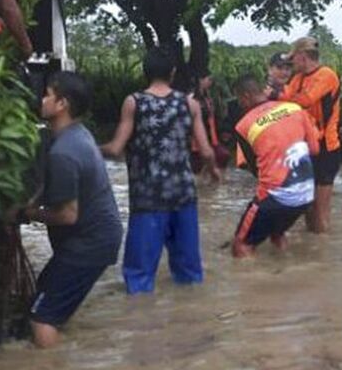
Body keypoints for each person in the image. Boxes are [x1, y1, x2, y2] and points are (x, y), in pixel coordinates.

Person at [13, 72, 122, 347]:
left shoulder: (65, 151)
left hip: (88, 244)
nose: (41, 99)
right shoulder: (76, 134)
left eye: (47, 94)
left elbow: (67, 214)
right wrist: (30, 203)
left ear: (62, 104)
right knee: (45, 289)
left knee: (42, 317)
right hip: (94, 238)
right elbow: (49, 182)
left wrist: (26, 214)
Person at [100, 50, 219, 294]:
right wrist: (213, 171)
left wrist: (87, 146)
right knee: (189, 273)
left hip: (148, 198)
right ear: (173, 73)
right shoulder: (190, 104)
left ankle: (143, 325)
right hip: (183, 195)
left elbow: (115, 149)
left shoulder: (134, 102)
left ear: (145, 73)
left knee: (139, 276)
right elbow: (206, 151)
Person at [231, 75, 318, 258]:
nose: (240, 104)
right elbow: (314, 149)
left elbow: (254, 169)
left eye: (239, 100)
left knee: (240, 245)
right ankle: (283, 272)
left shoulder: (243, 125)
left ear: (245, 97)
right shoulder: (295, 109)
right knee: (277, 233)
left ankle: (255, 284)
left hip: (275, 198)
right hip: (306, 195)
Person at [280, 37, 342, 233]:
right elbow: (285, 101)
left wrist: (280, 95)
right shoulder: (297, 78)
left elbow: (305, 100)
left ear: (302, 56)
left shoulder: (327, 75)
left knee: (320, 210)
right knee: (307, 206)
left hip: (326, 147)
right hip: (305, 146)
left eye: (293, 60)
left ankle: (322, 256)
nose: (291, 65)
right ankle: (313, 254)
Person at [190, 70, 231, 177]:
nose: (210, 82)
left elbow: (214, 118)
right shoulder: (192, 99)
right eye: (208, 79)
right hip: (197, 142)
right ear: (200, 80)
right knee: (197, 169)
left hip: (212, 139)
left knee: (223, 155)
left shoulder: (207, 97)